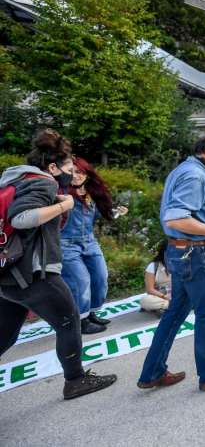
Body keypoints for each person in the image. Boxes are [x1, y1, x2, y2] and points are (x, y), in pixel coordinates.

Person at [0, 129, 117, 400]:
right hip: (34, 274)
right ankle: (75, 380)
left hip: (9, 273)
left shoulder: (16, 179)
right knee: (69, 321)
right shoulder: (44, 183)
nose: (70, 172)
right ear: (52, 167)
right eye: (67, 167)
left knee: (5, 336)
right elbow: (22, 219)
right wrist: (64, 206)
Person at [138, 134, 205, 393]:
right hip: (196, 254)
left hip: (180, 253)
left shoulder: (182, 170)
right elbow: (175, 219)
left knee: (175, 313)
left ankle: (152, 372)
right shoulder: (195, 175)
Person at [59, 157, 127, 335]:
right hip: (66, 244)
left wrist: (115, 211)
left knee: (100, 277)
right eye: (71, 172)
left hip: (89, 242)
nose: (76, 176)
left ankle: (91, 313)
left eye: (80, 172)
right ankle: (80, 321)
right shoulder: (61, 193)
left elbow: (95, 216)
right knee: (80, 281)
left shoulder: (90, 193)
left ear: (86, 173)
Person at [141, 241, 170, 316]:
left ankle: (167, 307)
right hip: (161, 296)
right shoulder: (153, 266)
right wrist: (164, 296)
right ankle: (172, 306)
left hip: (178, 294)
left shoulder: (181, 262)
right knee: (145, 301)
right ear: (163, 252)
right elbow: (150, 289)